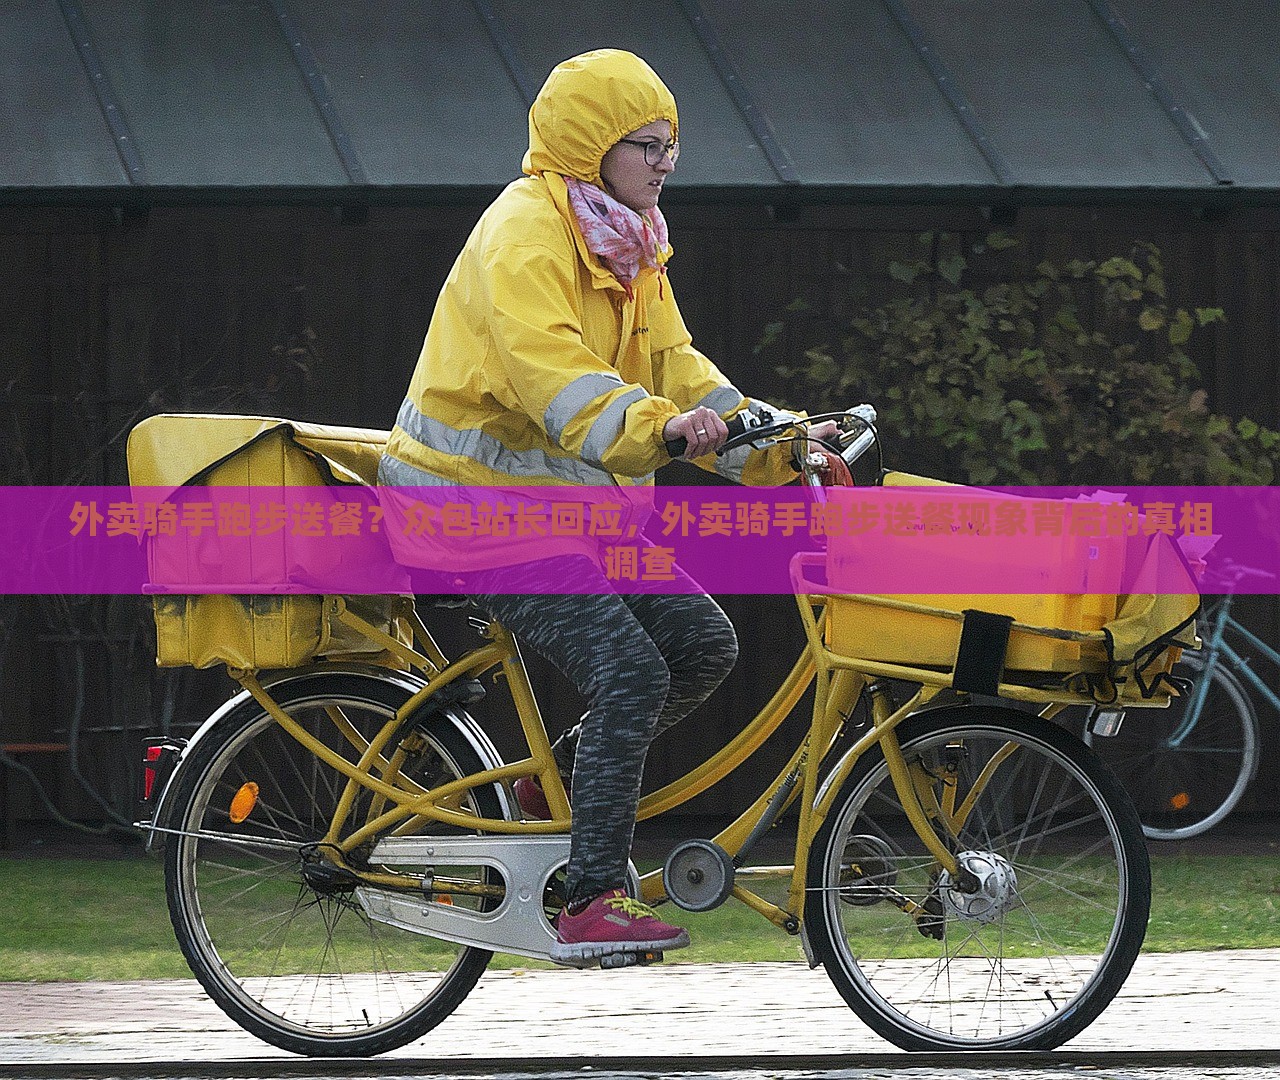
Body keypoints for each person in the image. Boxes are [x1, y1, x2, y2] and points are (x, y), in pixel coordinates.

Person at [380, 48, 835, 968]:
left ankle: (571, 798)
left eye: (673, 144)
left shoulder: (626, 238)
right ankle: (589, 899)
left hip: (556, 514)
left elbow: (676, 365)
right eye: (649, 144)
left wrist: (782, 442)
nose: (667, 161)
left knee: (702, 644)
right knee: (633, 669)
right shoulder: (524, 237)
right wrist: (660, 433)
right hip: (470, 515)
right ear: (592, 145)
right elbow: (554, 376)